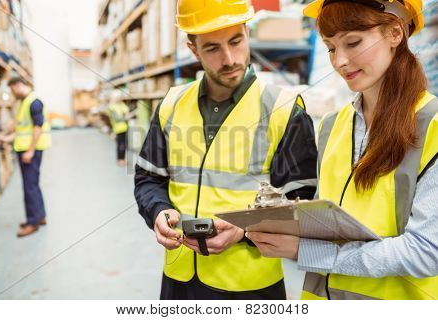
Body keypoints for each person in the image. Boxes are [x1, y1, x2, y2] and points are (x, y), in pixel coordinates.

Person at [246, 0, 438, 300]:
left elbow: (426, 251)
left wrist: (304, 251)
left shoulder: (432, 126)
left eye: (353, 42)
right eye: (331, 48)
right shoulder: (331, 127)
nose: (339, 61)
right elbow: (329, 222)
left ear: (395, 33)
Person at [134, 0, 318, 300]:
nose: (230, 58)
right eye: (212, 48)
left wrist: (244, 229)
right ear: (193, 49)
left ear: (247, 31)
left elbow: (301, 201)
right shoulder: (172, 104)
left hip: (249, 286)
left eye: (236, 41)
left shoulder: (284, 109)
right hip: (179, 278)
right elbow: (148, 178)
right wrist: (158, 210)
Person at [0, 76, 51, 237]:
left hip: (30, 151)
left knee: (29, 187)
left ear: (18, 85)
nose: (12, 94)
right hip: (25, 148)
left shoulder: (34, 102)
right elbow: (19, 125)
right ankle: (40, 216)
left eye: (12, 90)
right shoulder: (24, 101)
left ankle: (32, 222)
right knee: (33, 184)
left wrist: (30, 151)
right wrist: (5, 136)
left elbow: (37, 127)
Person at [107, 90, 130, 166]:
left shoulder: (122, 105)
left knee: (124, 144)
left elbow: (126, 110)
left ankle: (122, 159)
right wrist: (125, 117)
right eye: (118, 97)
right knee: (120, 145)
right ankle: (120, 159)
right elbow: (117, 119)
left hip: (125, 127)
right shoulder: (112, 107)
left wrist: (126, 115)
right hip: (118, 128)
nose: (120, 99)